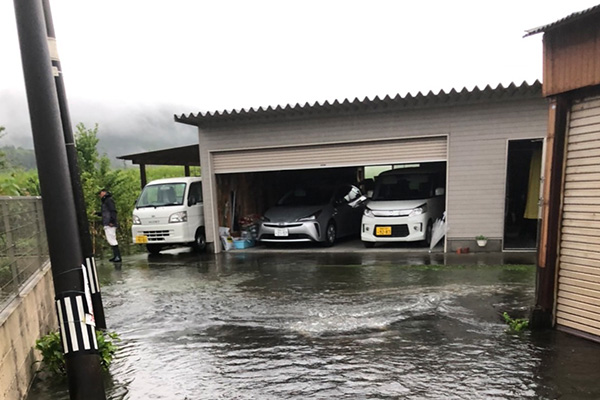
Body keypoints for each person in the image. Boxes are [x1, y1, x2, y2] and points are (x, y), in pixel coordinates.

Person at [97, 188, 121, 262]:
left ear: (104, 193)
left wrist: (112, 221)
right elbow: (106, 212)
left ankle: (117, 256)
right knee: (110, 239)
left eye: (100, 193)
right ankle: (116, 256)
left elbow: (113, 211)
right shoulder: (106, 201)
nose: (100, 195)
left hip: (109, 223)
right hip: (107, 222)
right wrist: (98, 213)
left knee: (112, 239)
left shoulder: (108, 200)